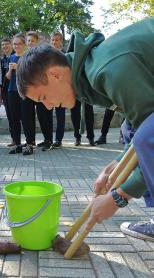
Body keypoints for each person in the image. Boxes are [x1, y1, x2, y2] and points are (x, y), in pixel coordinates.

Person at [16, 18, 154, 231]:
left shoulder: (109, 70)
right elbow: (139, 124)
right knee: (129, 130)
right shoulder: (87, 74)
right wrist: (116, 165)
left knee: (145, 138)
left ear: (55, 74)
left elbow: (150, 138)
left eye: (44, 97)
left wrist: (118, 197)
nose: (49, 106)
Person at [6, 33, 34, 155]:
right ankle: (17, 144)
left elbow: (30, 76)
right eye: (15, 44)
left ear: (24, 44)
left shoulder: (28, 57)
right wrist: (10, 70)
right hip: (12, 90)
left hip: (25, 91)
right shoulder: (11, 57)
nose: (16, 46)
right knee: (14, 118)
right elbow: (7, 77)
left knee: (26, 118)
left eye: (19, 44)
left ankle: (29, 144)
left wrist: (18, 67)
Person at [26, 31, 53, 151]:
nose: (30, 43)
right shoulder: (26, 55)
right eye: (28, 41)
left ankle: (49, 140)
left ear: (36, 42)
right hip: (30, 91)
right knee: (32, 116)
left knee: (44, 115)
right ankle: (35, 140)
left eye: (32, 40)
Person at [50, 31, 66, 148]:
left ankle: (58, 139)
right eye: (53, 40)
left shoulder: (65, 55)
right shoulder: (46, 55)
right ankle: (48, 139)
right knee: (48, 114)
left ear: (61, 41)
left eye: (57, 40)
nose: (54, 42)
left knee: (60, 115)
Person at [0, 38, 14, 147]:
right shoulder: (2, 59)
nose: (5, 46)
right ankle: (14, 139)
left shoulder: (16, 57)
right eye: (3, 45)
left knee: (20, 116)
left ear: (11, 45)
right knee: (10, 116)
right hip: (5, 92)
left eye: (7, 44)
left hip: (16, 90)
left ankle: (30, 140)